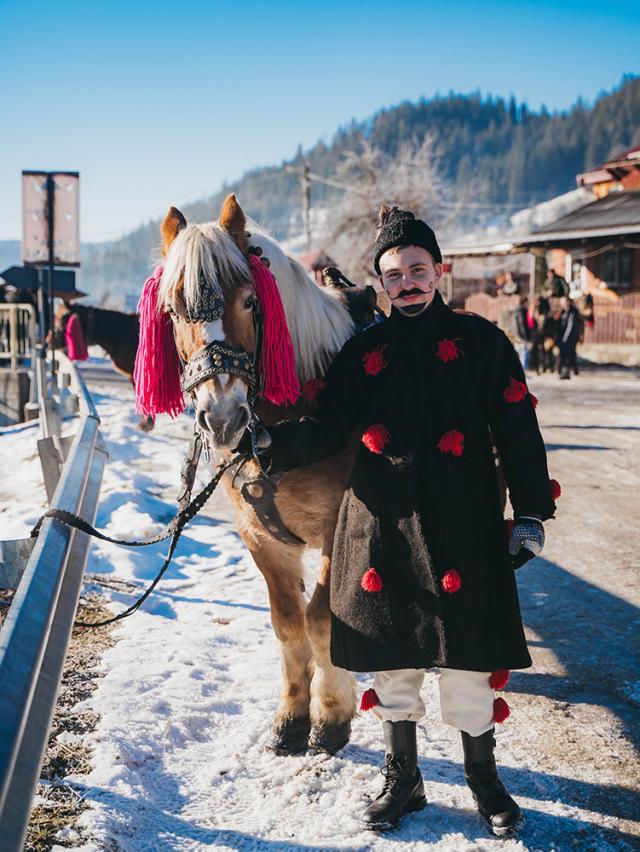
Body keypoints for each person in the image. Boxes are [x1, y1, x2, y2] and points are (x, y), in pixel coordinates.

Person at [249, 207, 556, 838]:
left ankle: (484, 780)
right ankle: (404, 779)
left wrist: (529, 512)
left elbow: (518, 430)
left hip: (465, 525)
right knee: (393, 662)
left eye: (418, 269)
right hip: (382, 528)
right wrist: (269, 449)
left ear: (439, 271)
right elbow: (330, 428)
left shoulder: (482, 343)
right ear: (381, 283)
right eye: (395, 274)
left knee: (469, 659)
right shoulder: (363, 352)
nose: (408, 282)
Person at [556, 295, 580, 380]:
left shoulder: (572, 312)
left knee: (568, 355)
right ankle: (567, 371)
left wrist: (566, 338)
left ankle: (566, 373)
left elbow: (570, 326)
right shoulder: (562, 312)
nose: (563, 304)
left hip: (569, 338)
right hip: (561, 337)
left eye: (564, 302)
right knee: (564, 355)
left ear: (568, 302)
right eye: (562, 302)